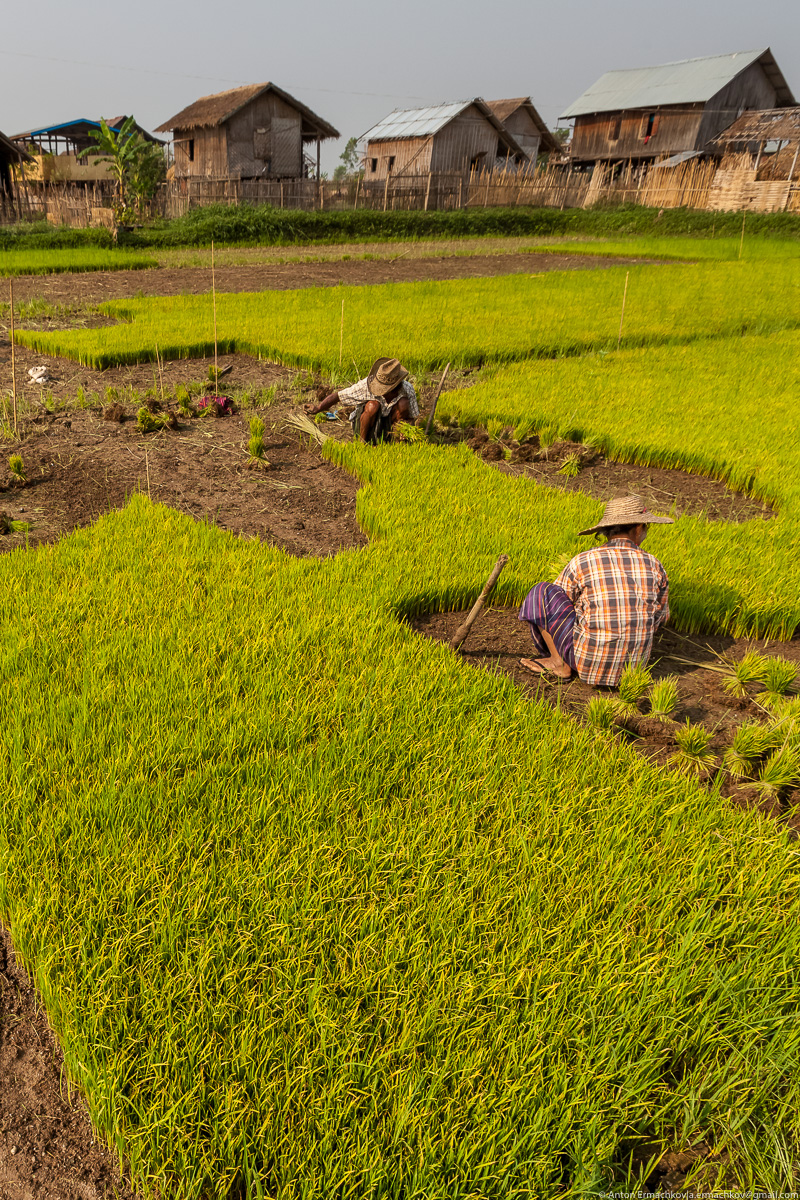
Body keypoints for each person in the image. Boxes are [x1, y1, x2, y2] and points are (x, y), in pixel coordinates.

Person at [518, 494, 673, 687]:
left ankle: (559, 662)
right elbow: (660, 618)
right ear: (639, 528)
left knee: (542, 591)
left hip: (587, 665)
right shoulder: (655, 565)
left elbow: (557, 601)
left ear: (606, 531)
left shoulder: (583, 560)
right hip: (634, 672)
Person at [305, 357, 418, 443]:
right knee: (372, 405)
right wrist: (318, 408)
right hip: (367, 424)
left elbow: (412, 417)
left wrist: (407, 429)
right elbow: (338, 396)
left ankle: (394, 439)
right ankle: (362, 443)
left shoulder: (407, 389)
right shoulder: (366, 385)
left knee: (403, 403)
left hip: (389, 425)